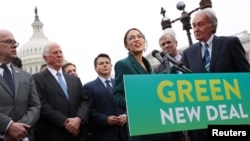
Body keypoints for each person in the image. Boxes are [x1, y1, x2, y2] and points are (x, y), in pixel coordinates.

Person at [181, 9, 250, 141]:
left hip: (231, 117)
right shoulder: (188, 53)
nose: (195, 29)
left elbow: (246, 76)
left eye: (200, 24)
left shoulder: (230, 43)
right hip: (203, 122)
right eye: (193, 25)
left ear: (212, 25)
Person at [113, 28, 169, 141]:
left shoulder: (149, 65)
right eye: (131, 38)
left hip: (159, 125)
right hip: (141, 128)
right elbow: (117, 97)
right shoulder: (123, 64)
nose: (136, 39)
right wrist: (137, 103)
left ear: (144, 41)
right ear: (126, 46)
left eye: (139, 36)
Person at [32, 41, 90, 141]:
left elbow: (84, 101)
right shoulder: (36, 79)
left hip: (78, 134)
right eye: (55, 53)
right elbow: (42, 105)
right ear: (45, 58)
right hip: (53, 134)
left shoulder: (75, 80)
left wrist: (78, 119)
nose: (59, 55)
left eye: (60, 52)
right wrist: (66, 122)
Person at [0, 29, 41, 141]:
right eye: (9, 42)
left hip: (24, 137)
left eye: (15, 43)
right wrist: (8, 126)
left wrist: (19, 129)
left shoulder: (26, 76)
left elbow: (35, 106)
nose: (14, 46)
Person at [83, 53, 128, 141]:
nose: (104, 65)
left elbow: (129, 103)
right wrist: (105, 119)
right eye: (101, 63)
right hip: (104, 134)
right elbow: (88, 110)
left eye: (107, 63)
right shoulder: (88, 87)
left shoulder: (121, 84)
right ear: (95, 68)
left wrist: (126, 115)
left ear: (111, 66)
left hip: (124, 133)